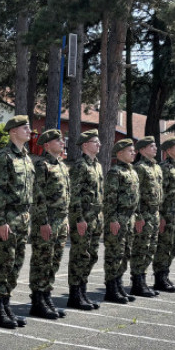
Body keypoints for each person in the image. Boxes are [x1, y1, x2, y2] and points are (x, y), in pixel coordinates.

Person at [0, 116, 34, 328]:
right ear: (13, 131)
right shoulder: (4, 157)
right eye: (25, 128)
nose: (30, 130)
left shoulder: (26, 157)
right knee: (2, 264)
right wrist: (1, 220)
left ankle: (5, 304)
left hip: (23, 218)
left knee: (15, 265)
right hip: (8, 218)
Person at [27, 129, 70, 319]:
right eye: (58, 140)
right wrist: (43, 221)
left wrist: (66, 218)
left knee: (54, 260)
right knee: (42, 261)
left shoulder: (61, 165)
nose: (62, 142)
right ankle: (38, 300)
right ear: (47, 145)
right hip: (47, 220)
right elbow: (38, 196)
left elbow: (66, 195)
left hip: (61, 220)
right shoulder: (42, 166)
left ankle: (46, 295)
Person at [66, 130, 104, 311]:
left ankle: (82, 291)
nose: (99, 145)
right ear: (85, 145)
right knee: (80, 255)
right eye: (95, 142)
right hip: (84, 218)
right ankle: (75, 294)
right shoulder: (80, 165)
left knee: (92, 255)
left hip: (96, 218)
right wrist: (79, 218)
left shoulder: (97, 165)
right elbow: (74, 195)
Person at [103, 138, 140, 304]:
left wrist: (137, 216)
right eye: (129, 150)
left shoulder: (132, 171)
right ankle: (111, 289)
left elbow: (135, 198)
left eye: (133, 150)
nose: (133, 152)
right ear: (119, 153)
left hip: (129, 218)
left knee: (125, 253)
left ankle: (119, 285)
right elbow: (110, 199)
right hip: (118, 218)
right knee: (115, 254)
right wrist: (112, 219)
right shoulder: (115, 172)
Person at [130, 136, 162, 298]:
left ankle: (143, 280)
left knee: (150, 249)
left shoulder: (156, 168)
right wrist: (139, 216)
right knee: (141, 249)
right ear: (142, 150)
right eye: (152, 146)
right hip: (144, 214)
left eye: (155, 146)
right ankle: (137, 282)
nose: (155, 149)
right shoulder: (139, 168)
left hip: (155, 214)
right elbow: (135, 195)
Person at [152, 137, 175, 293]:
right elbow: (160, 194)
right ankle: (160, 278)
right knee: (164, 246)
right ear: (168, 150)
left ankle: (165, 275)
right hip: (167, 213)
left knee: (174, 245)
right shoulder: (163, 168)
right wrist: (161, 216)